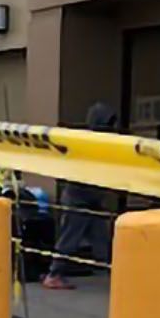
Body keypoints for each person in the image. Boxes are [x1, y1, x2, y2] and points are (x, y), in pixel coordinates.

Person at [42, 101, 118, 290]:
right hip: (79, 199)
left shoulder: (101, 143)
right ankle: (54, 274)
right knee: (70, 238)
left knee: (101, 240)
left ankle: (116, 273)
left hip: (90, 200)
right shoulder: (87, 143)